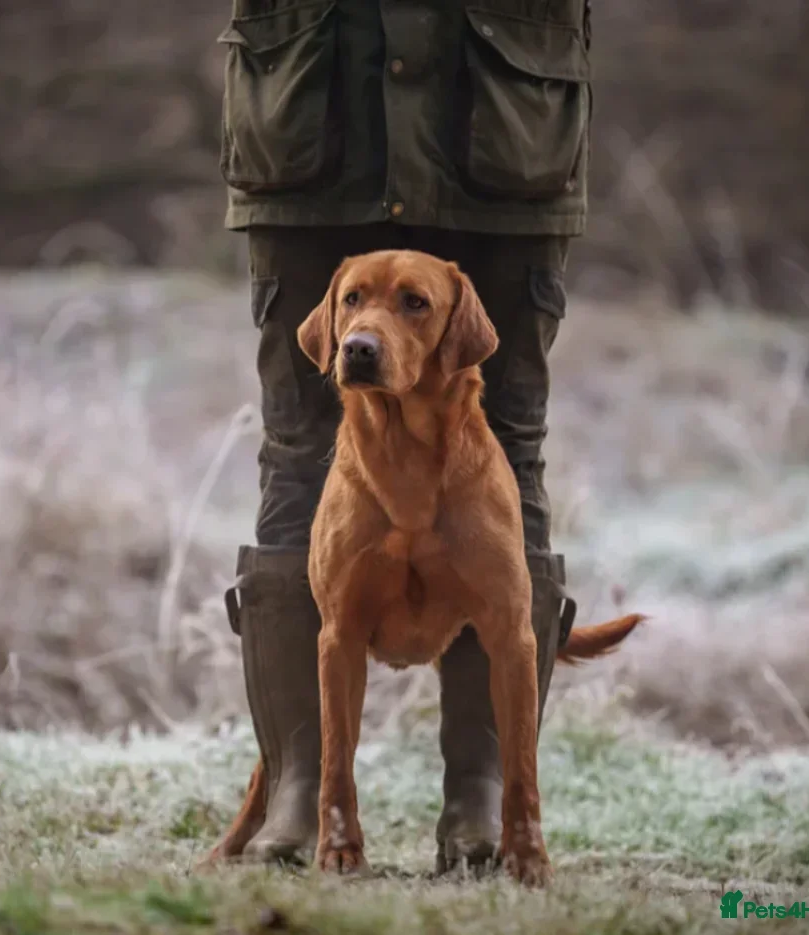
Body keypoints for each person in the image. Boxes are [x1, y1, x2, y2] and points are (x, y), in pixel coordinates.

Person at [219, 0, 591, 873]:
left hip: (511, 123)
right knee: (298, 457)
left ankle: (486, 799)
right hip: (306, 120)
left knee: (508, 447)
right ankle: (302, 793)